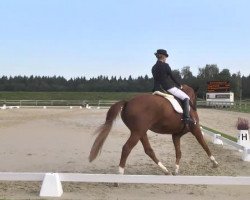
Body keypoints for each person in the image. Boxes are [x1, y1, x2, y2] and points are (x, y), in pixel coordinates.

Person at [151, 49, 194, 124]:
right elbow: (172, 76)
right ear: (163, 57)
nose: (166, 59)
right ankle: (186, 118)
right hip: (168, 87)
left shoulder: (153, 67)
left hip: (156, 89)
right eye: (165, 57)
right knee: (186, 97)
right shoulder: (166, 66)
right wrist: (180, 85)